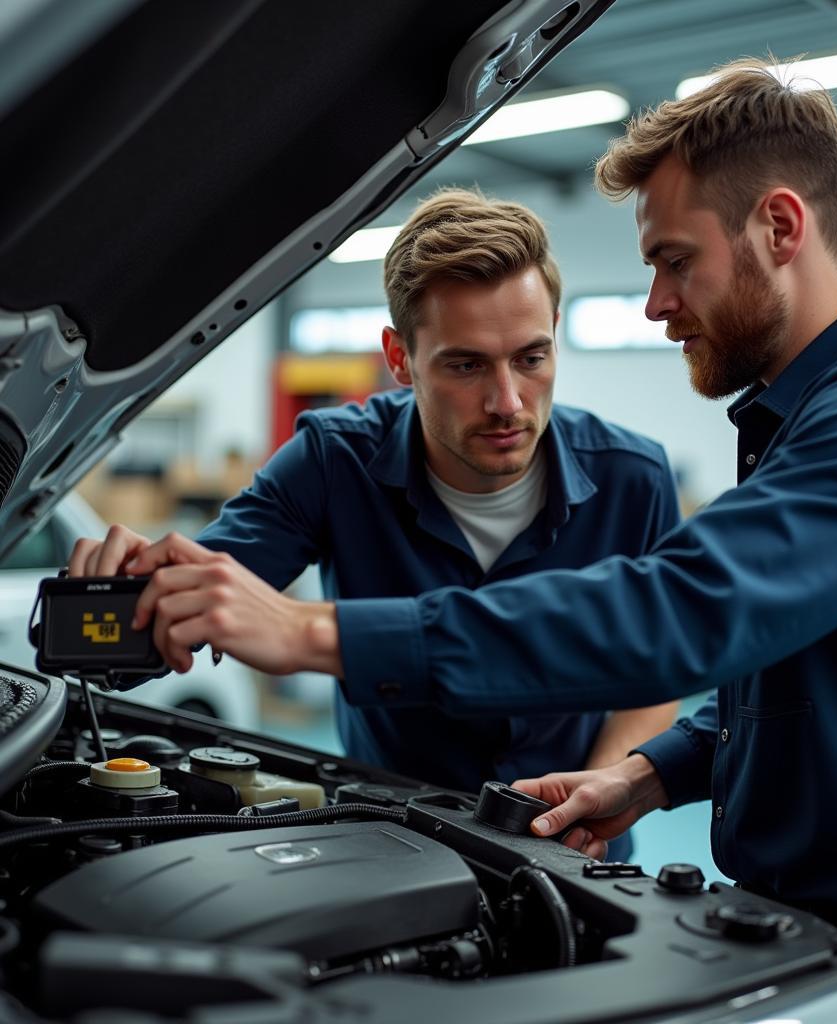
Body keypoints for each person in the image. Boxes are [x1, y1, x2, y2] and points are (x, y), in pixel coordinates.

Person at [78, 64, 837, 1019]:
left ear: (780, 227)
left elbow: (683, 615)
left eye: (674, 260)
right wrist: (648, 774)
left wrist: (316, 634)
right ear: (403, 358)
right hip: (793, 920)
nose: (656, 303)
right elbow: (798, 678)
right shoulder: (809, 417)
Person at [69, 188, 680, 860]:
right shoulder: (333, 462)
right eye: (466, 364)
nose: (507, 402)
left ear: (556, 334)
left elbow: (658, 672)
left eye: (531, 358)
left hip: (578, 854)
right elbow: (190, 601)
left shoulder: (635, 480)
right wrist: (115, 605)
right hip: (385, 845)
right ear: (399, 358)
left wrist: (604, 786)